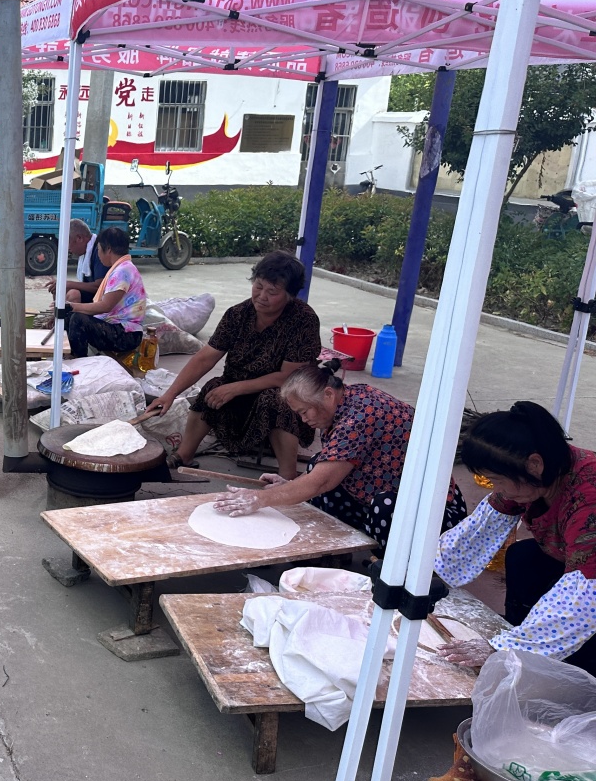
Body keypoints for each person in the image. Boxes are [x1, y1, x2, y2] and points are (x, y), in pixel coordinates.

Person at [212, 359, 468, 547]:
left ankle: (393, 571)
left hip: (435, 516)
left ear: (328, 394)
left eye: (304, 411)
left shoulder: (360, 417)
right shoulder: (348, 399)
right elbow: (325, 470)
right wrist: (290, 486)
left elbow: (322, 481)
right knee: (317, 467)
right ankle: (335, 551)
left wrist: (259, 499)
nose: (303, 420)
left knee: (380, 505)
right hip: (383, 487)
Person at [434, 401, 596, 674]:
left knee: (578, 643)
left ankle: (570, 668)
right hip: (570, 560)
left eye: (497, 480)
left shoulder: (588, 496)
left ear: (534, 464)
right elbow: (479, 529)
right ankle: (522, 637)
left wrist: (504, 649)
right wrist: (428, 571)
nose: (497, 489)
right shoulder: (538, 473)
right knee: (523, 558)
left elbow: (585, 598)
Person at [145, 251, 320, 480]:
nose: (261, 296)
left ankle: (286, 476)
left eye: (272, 292)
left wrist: (236, 388)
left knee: (275, 400)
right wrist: (169, 395)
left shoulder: (304, 320)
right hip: (238, 390)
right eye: (258, 286)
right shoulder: (237, 314)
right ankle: (184, 454)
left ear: (289, 296)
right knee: (212, 388)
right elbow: (205, 358)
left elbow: (288, 377)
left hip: (283, 392)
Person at [61, 225, 146, 357]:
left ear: (109, 250)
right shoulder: (122, 267)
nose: (99, 254)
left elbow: (105, 306)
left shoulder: (122, 271)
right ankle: (66, 354)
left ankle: (78, 361)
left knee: (78, 319)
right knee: (71, 315)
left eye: (99, 249)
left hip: (127, 334)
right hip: (117, 326)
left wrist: (73, 306)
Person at [46, 218, 109, 302]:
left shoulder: (99, 251)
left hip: (103, 298)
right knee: (59, 289)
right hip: (93, 295)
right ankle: (57, 309)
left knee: (73, 294)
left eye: (68, 242)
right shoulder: (87, 250)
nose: (68, 248)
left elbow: (100, 286)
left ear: (79, 238)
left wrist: (68, 284)